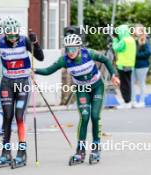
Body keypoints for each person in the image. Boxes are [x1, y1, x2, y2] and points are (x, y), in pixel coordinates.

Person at [34, 34, 120, 164]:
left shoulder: (89, 53)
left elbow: (106, 60)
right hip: (81, 89)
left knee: (95, 116)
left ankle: (96, 147)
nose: (71, 52)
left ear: (79, 47)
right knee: (84, 117)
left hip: (97, 86)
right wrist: (33, 70)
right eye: (68, 49)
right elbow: (48, 70)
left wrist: (113, 75)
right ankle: (80, 150)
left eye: (73, 49)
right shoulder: (64, 60)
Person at [0, 17, 44, 168]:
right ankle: (6, 152)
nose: (13, 38)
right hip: (7, 83)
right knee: (7, 116)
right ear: (5, 33)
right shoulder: (0, 42)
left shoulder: (24, 40)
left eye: (15, 34)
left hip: (23, 82)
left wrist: (35, 42)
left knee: (19, 116)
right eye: (9, 35)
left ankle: (21, 152)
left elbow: (40, 57)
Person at [112, 24, 136, 108]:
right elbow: (123, 49)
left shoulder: (124, 41)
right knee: (128, 83)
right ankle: (129, 101)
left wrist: (115, 40)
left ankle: (127, 102)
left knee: (124, 85)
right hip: (130, 65)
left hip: (123, 65)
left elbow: (116, 48)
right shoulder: (131, 40)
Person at [131, 24, 151, 108]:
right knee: (131, 83)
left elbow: (148, 52)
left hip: (142, 66)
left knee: (141, 83)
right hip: (133, 65)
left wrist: (136, 55)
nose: (136, 31)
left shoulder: (145, 39)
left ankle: (142, 101)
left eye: (138, 29)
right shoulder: (133, 40)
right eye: (135, 29)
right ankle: (133, 101)